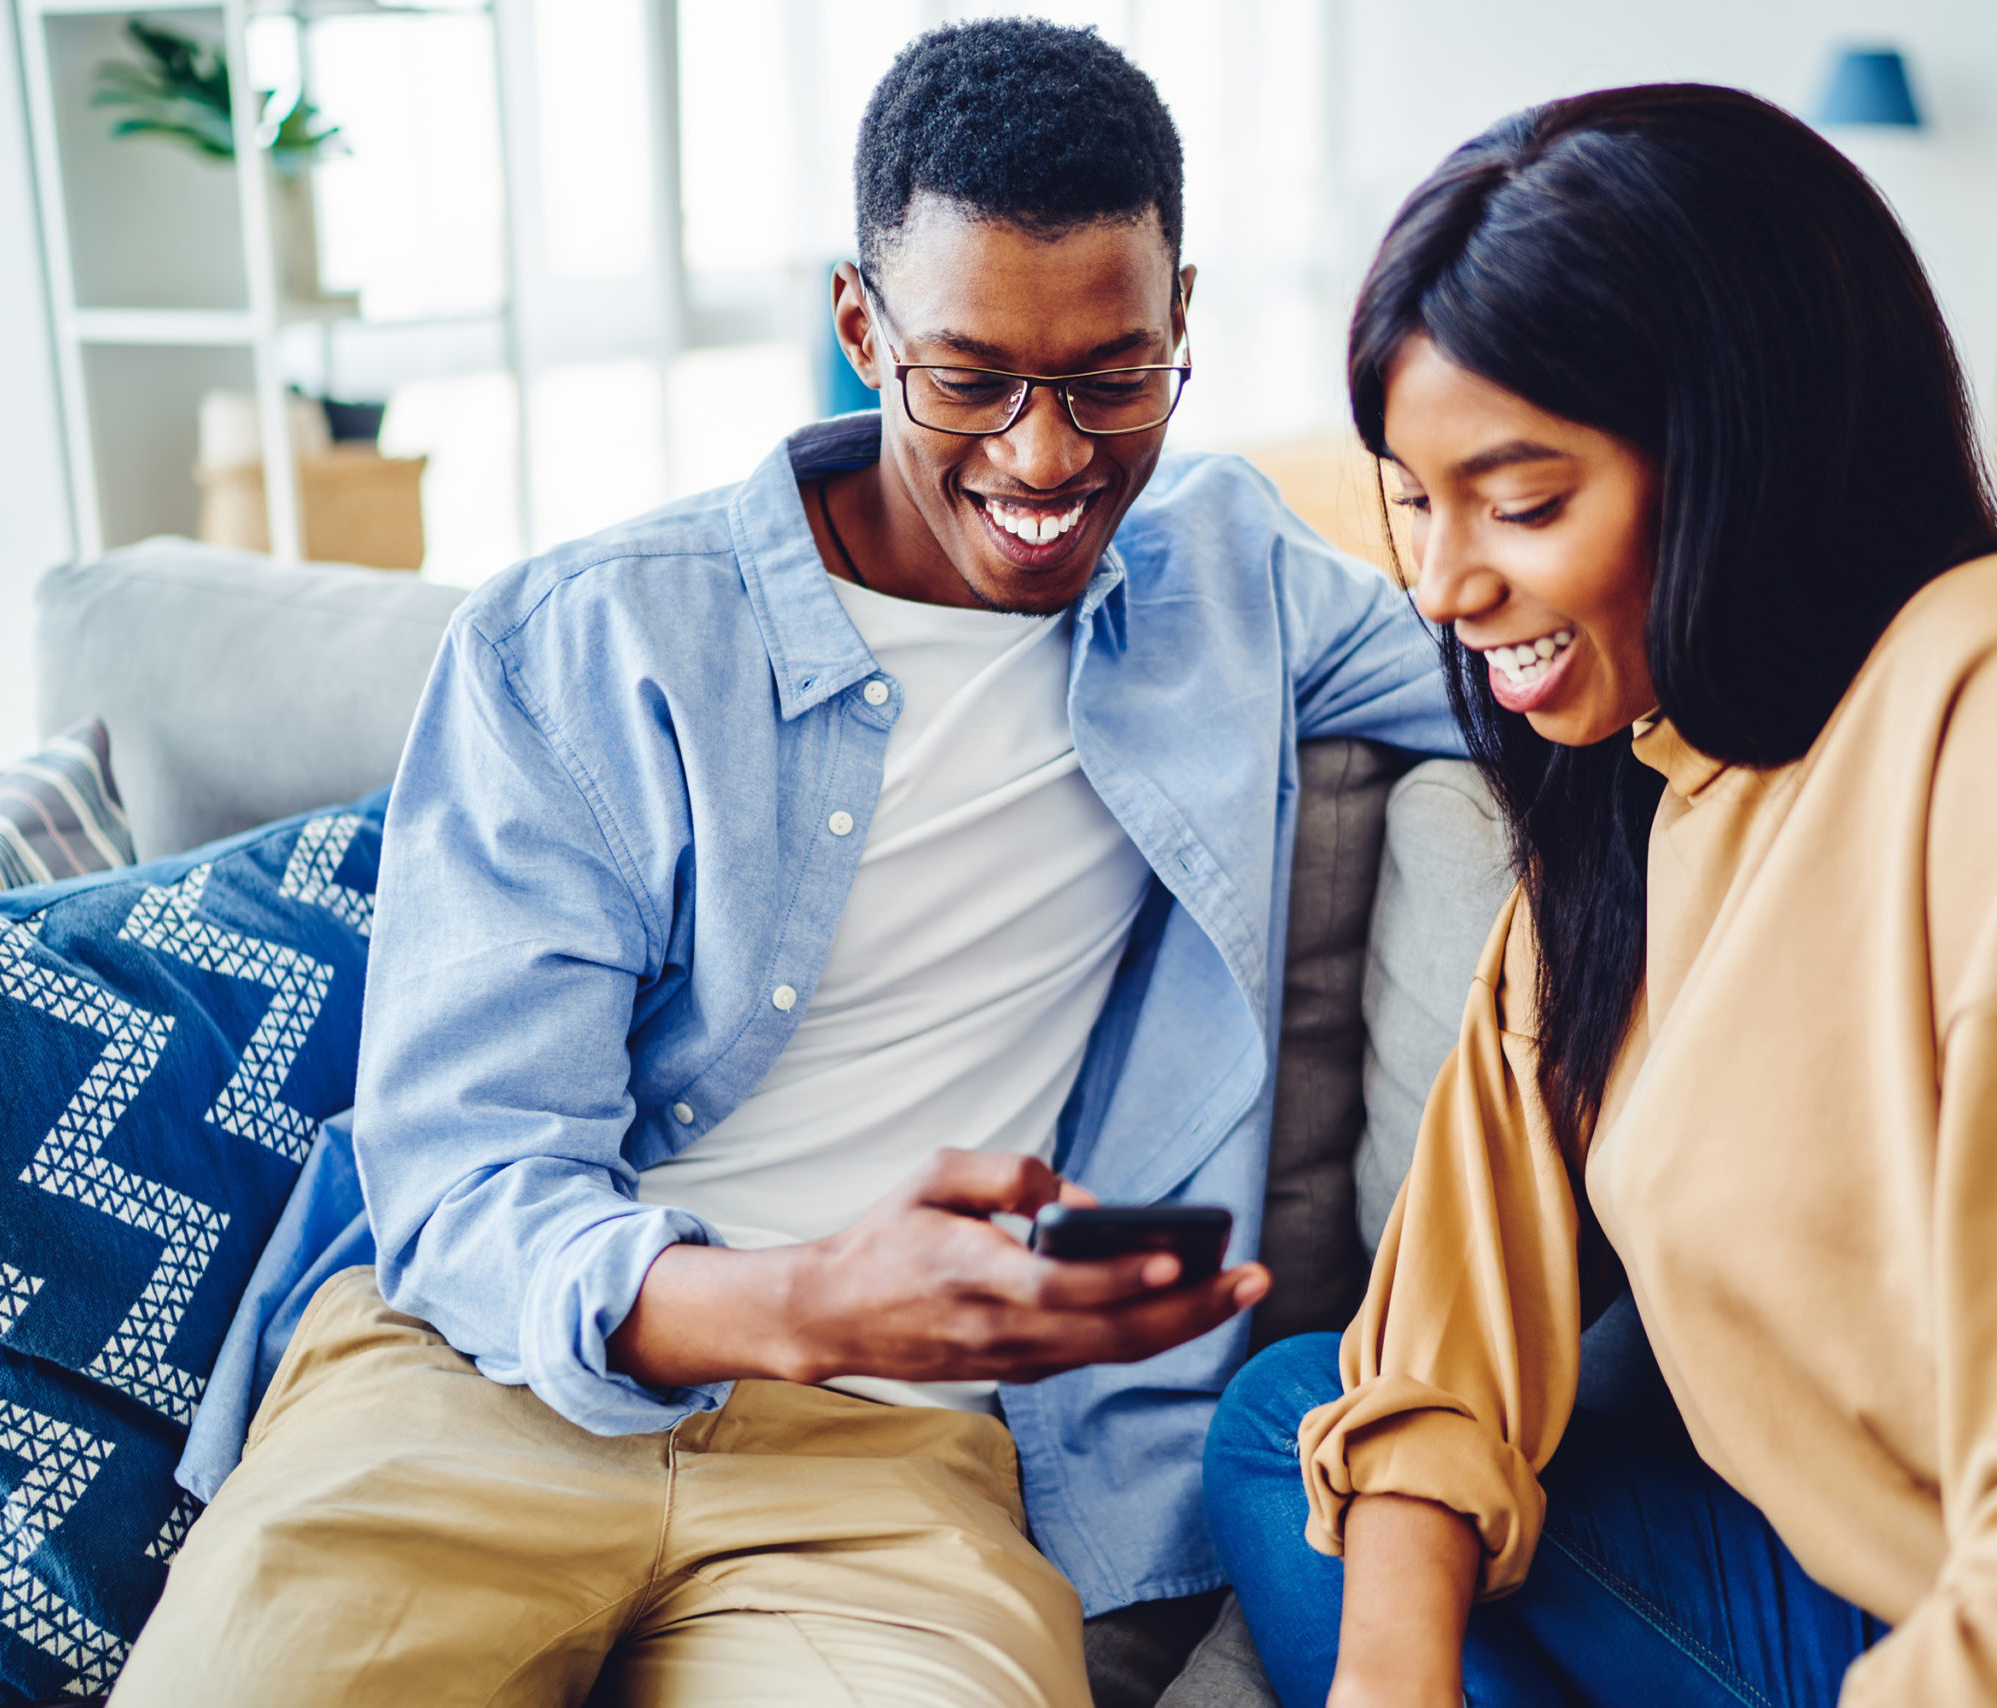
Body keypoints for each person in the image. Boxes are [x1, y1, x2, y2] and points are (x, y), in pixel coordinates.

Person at [114, 20, 1459, 1708]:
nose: (1045, 457)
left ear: (1182, 316)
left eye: (1112, 380)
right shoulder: (588, 643)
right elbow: (463, 1185)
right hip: (474, 1394)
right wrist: (815, 1298)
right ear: (859, 326)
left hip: (886, 1476)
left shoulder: (1236, 580)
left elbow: (1545, 665)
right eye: (968, 378)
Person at [1203, 85, 1997, 1708]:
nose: (1445, 585)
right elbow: (1439, 1346)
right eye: (1416, 499)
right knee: (1295, 1425)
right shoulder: (1626, 815)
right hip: (1875, 1608)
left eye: (1523, 503)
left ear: (1737, 450)